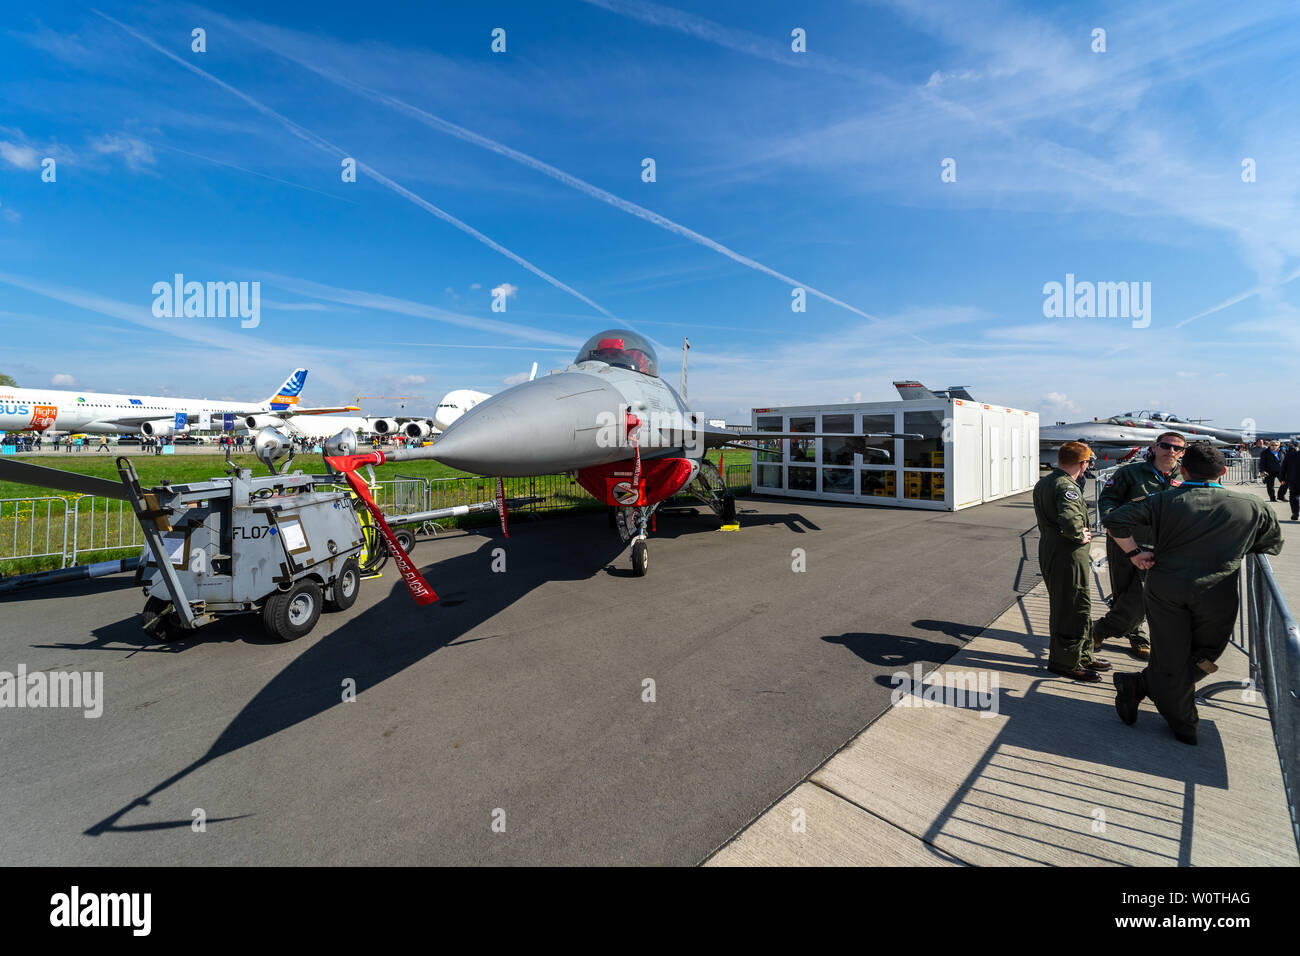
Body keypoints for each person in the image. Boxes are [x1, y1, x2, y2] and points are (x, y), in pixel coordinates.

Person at [1105, 442, 1283, 744]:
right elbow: (1270, 544)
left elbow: (1115, 520)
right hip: (1217, 593)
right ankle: (1184, 722)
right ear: (1224, 472)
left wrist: (1135, 552)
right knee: (1206, 655)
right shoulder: (1253, 506)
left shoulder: (1161, 501)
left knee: (1172, 657)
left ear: (1183, 470)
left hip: (1166, 590)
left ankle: (1141, 683)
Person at [1092, 432, 1188, 660]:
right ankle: (1136, 633)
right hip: (1126, 544)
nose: (1171, 451)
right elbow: (1107, 500)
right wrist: (1110, 521)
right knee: (1125, 593)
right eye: (1165, 445)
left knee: (1143, 596)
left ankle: (1099, 629)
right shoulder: (1131, 473)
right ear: (1154, 448)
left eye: (1177, 448)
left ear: (1183, 452)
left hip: (1162, 548)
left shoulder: (1186, 477)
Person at [1033, 441, 1109, 682]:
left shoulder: (1044, 481)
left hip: (1053, 550)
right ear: (1082, 463)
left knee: (1077, 604)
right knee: (1071, 607)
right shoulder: (1068, 487)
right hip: (1067, 554)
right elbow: (1070, 519)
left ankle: (1083, 654)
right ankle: (1065, 662)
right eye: (1087, 463)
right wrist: (1079, 533)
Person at [1283, 442, 1300, 523]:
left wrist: (1282, 478)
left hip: (1294, 479)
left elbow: (1284, 467)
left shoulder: (1290, 455)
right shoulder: (1290, 455)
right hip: (1293, 479)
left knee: (1294, 496)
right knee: (1294, 496)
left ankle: (1295, 513)